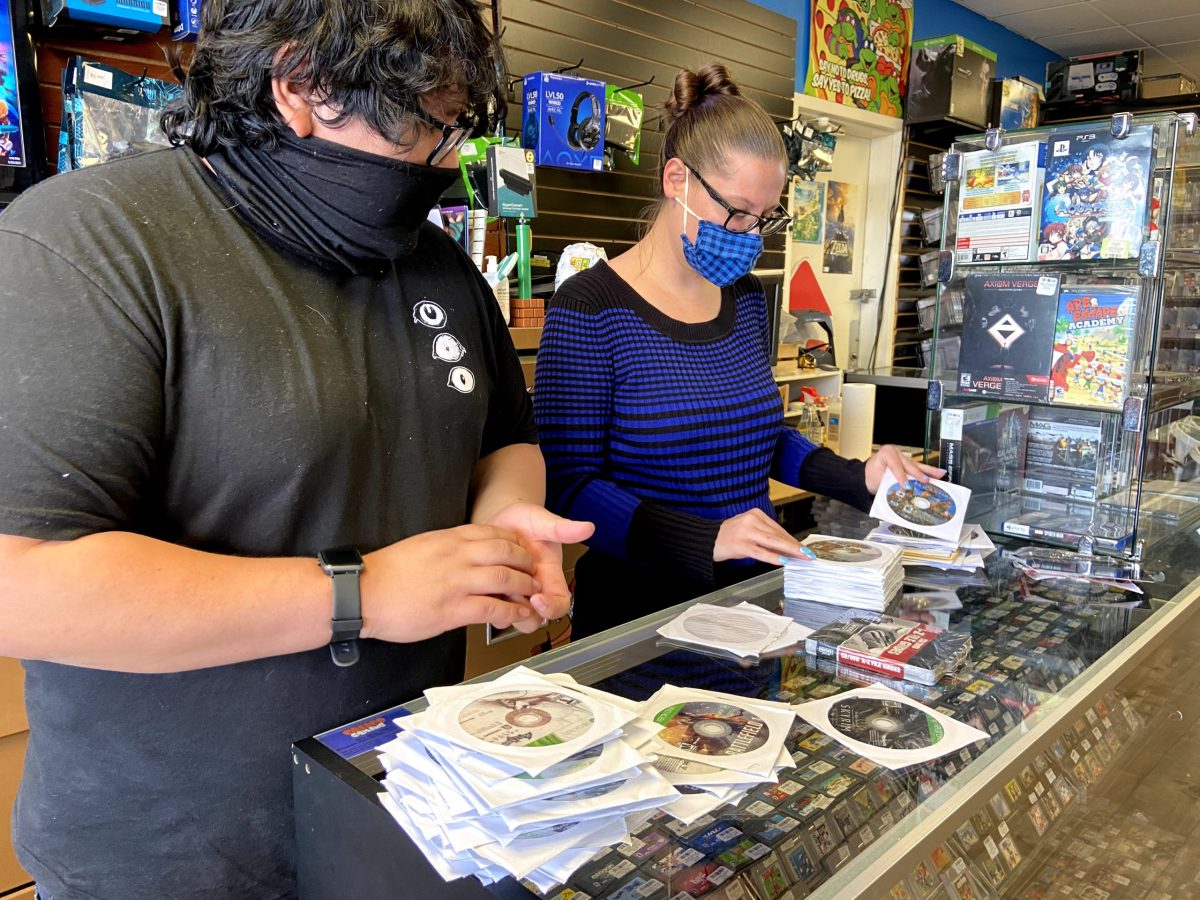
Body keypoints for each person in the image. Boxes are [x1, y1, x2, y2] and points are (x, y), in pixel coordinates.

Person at [0, 1, 592, 897]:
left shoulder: (436, 265)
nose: (445, 161)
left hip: (405, 813)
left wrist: (507, 526)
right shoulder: (91, 244)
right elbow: (22, 580)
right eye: (428, 126)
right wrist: (364, 594)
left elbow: (505, 436)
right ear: (302, 87)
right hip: (172, 859)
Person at [533, 64, 941, 640]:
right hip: (640, 620)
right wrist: (708, 538)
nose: (749, 234)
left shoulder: (747, 299)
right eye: (737, 212)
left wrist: (860, 477)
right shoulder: (589, 307)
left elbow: (761, 437)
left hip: (754, 608)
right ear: (678, 179)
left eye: (764, 217)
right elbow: (571, 487)